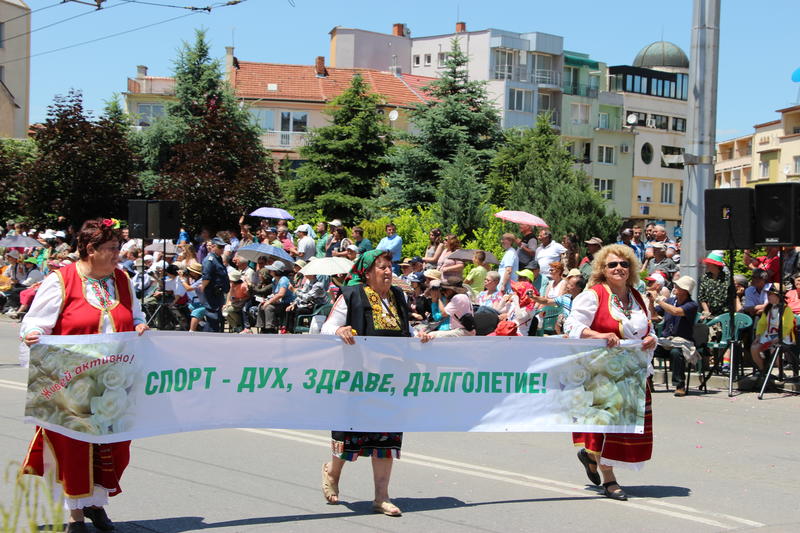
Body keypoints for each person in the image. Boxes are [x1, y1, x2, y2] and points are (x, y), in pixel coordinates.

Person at [20, 219, 149, 533]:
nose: (118, 254)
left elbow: (134, 315)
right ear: (90, 250)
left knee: (114, 446)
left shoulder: (122, 279)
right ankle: (75, 516)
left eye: (119, 248)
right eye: (111, 249)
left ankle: (95, 503)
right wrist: (34, 334)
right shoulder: (61, 280)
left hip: (115, 383)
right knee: (75, 448)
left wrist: (140, 325)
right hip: (71, 382)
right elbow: (35, 323)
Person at [320, 250, 415, 516]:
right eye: (382, 267)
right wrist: (340, 330)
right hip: (358, 379)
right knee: (349, 435)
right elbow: (327, 328)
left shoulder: (399, 296)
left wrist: (422, 338)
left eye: (390, 267)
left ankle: (381, 497)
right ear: (367, 272)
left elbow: (406, 331)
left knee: (386, 438)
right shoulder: (351, 295)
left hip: (390, 381)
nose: (388, 272)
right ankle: (332, 473)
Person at [564, 244, 657, 501]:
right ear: (603, 269)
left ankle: (591, 456)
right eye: (612, 265)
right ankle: (610, 480)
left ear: (631, 269)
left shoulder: (637, 297)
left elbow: (647, 329)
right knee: (607, 426)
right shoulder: (593, 295)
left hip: (633, 373)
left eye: (624, 264)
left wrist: (651, 339)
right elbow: (572, 324)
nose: (619, 269)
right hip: (601, 371)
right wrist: (598, 334)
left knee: (624, 427)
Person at [652, 276, 699, 397]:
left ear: (685, 290)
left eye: (678, 286)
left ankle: (680, 385)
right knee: (649, 348)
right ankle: (648, 381)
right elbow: (654, 314)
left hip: (682, 341)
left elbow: (676, 311)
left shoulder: (692, 305)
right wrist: (651, 302)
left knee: (676, 353)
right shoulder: (669, 301)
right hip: (666, 340)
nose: (675, 288)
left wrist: (659, 300)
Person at [750, 285, 795, 375]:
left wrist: (778, 338)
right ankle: (763, 370)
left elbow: (787, 326)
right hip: (768, 335)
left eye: (770, 294)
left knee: (774, 350)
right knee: (754, 348)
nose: (768, 296)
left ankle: (781, 372)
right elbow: (762, 323)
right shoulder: (767, 309)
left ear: (778, 296)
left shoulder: (786, 309)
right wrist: (758, 336)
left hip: (783, 337)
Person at [201, 237, 230, 332]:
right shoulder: (210, 260)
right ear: (213, 246)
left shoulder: (218, 258)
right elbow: (206, 277)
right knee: (212, 318)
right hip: (212, 294)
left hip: (218, 295)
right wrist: (203, 289)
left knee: (218, 319)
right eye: (220, 247)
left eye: (223, 247)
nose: (222, 249)